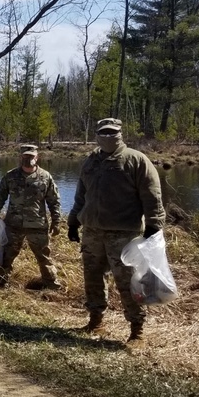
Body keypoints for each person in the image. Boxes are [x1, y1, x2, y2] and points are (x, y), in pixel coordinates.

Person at [67, 118, 165, 348]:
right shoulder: (91, 161)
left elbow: (152, 195)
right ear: (97, 135)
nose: (108, 136)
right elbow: (81, 195)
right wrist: (73, 221)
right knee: (92, 277)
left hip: (124, 234)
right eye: (104, 132)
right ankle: (96, 321)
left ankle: (136, 330)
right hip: (92, 231)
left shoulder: (136, 160)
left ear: (121, 133)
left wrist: (153, 224)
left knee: (127, 282)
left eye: (113, 132)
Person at [0, 144, 62, 290]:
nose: (28, 159)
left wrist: (56, 221)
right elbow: (0, 198)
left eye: (31, 156)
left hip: (37, 225)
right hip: (13, 225)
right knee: (6, 257)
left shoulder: (45, 177)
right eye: (25, 156)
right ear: (20, 157)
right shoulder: (10, 176)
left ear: (37, 157)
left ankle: (52, 287)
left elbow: (54, 201)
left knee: (44, 258)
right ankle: (0, 284)